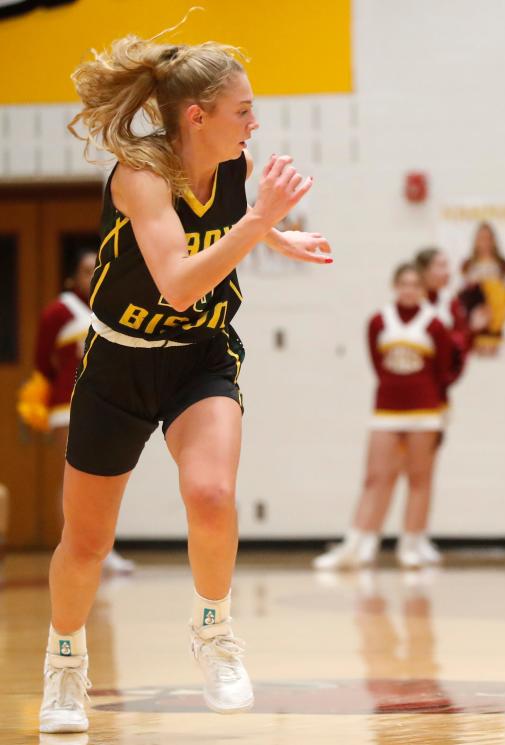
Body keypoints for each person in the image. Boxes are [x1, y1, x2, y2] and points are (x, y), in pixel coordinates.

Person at [40, 31, 331, 734]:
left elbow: (224, 235)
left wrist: (275, 237)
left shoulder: (235, 166)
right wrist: (263, 220)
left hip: (201, 353)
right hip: (119, 361)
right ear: (196, 116)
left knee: (210, 491)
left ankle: (214, 631)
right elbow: (174, 282)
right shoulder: (139, 173)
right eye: (243, 110)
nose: (253, 123)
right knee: (86, 540)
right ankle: (65, 659)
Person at [313, 264, 453, 570]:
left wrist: (441, 412)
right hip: (387, 409)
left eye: (415, 284)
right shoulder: (379, 321)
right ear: (394, 286)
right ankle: (357, 544)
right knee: (375, 477)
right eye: (403, 283)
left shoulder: (435, 325)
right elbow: (378, 366)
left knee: (419, 479)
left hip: (425, 411)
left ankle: (411, 544)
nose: (409, 289)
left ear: (422, 289)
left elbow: (444, 373)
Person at [18, 249, 135, 573]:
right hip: (67, 406)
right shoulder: (59, 311)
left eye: (96, 268)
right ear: (73, 277)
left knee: (107, 477)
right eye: (85, 270)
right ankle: (73, 550)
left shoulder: (112, 306)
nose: (92, 274)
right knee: (73, 480)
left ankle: (103, 549)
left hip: (107, 403)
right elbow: (42, 360)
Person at [458, 222, 505, 355]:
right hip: (477, 311)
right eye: (481, 238)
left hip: (497, 314)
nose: (484, 242)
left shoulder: (502, 264)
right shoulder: (468, 264)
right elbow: (462, 292)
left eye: (488, 238)